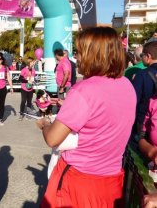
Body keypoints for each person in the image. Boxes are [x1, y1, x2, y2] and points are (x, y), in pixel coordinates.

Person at [38, 27, 136, 207]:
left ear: (94, 55)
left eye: (80, 52)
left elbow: (53, 139)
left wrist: (44, 124)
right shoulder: (127, 85)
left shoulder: (84, 90)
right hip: (111, 183)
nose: (77, 58)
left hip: (77, 182)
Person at [132, 41, 157, 140]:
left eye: (142, 55)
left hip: (144, 122)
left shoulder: (142, 75)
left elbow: (134, 100)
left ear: (148, 56)